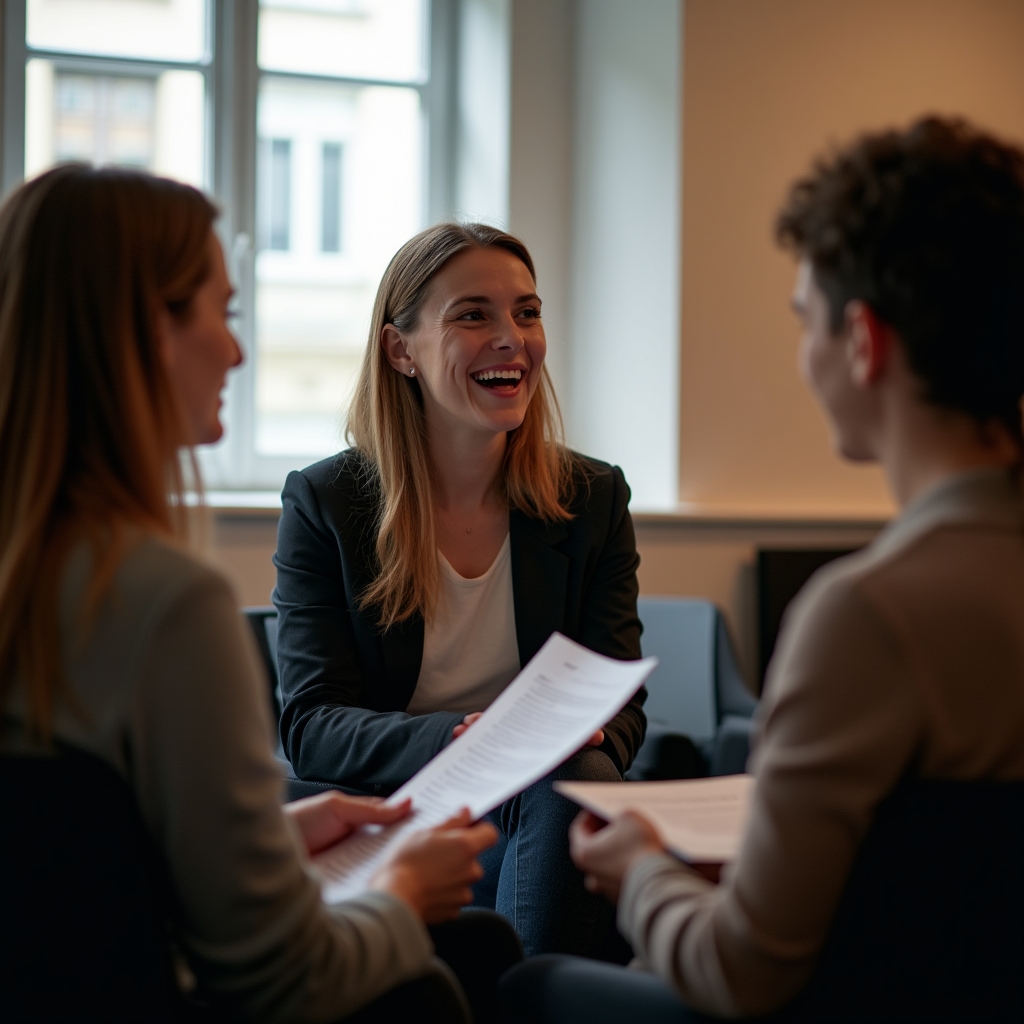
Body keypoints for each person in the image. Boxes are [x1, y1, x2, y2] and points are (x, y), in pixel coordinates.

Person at [500, 116, 1024, 1020]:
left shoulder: (869, 616)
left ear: (863, 342)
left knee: (524, 985)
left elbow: (744, 972)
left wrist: (639, 873)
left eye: (805, 321)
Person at [0, 164, 522, 1023]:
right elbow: (281, 978)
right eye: (222, 312)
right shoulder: (163, 602)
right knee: (452, 970)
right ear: (138, 332)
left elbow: (67, 878)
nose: (236, 351)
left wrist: (273, 839)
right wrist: (399, 891)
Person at [272, 222, 647, 957]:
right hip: (401, 803)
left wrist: (599, 729)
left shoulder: (594, 496)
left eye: (527, 313)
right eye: (473, 315)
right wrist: (463, 740)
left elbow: (623, 700)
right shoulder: (327, 502)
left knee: (571, 770)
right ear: (399, 349)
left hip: (549, 794)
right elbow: (311, 724)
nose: (512, 338)